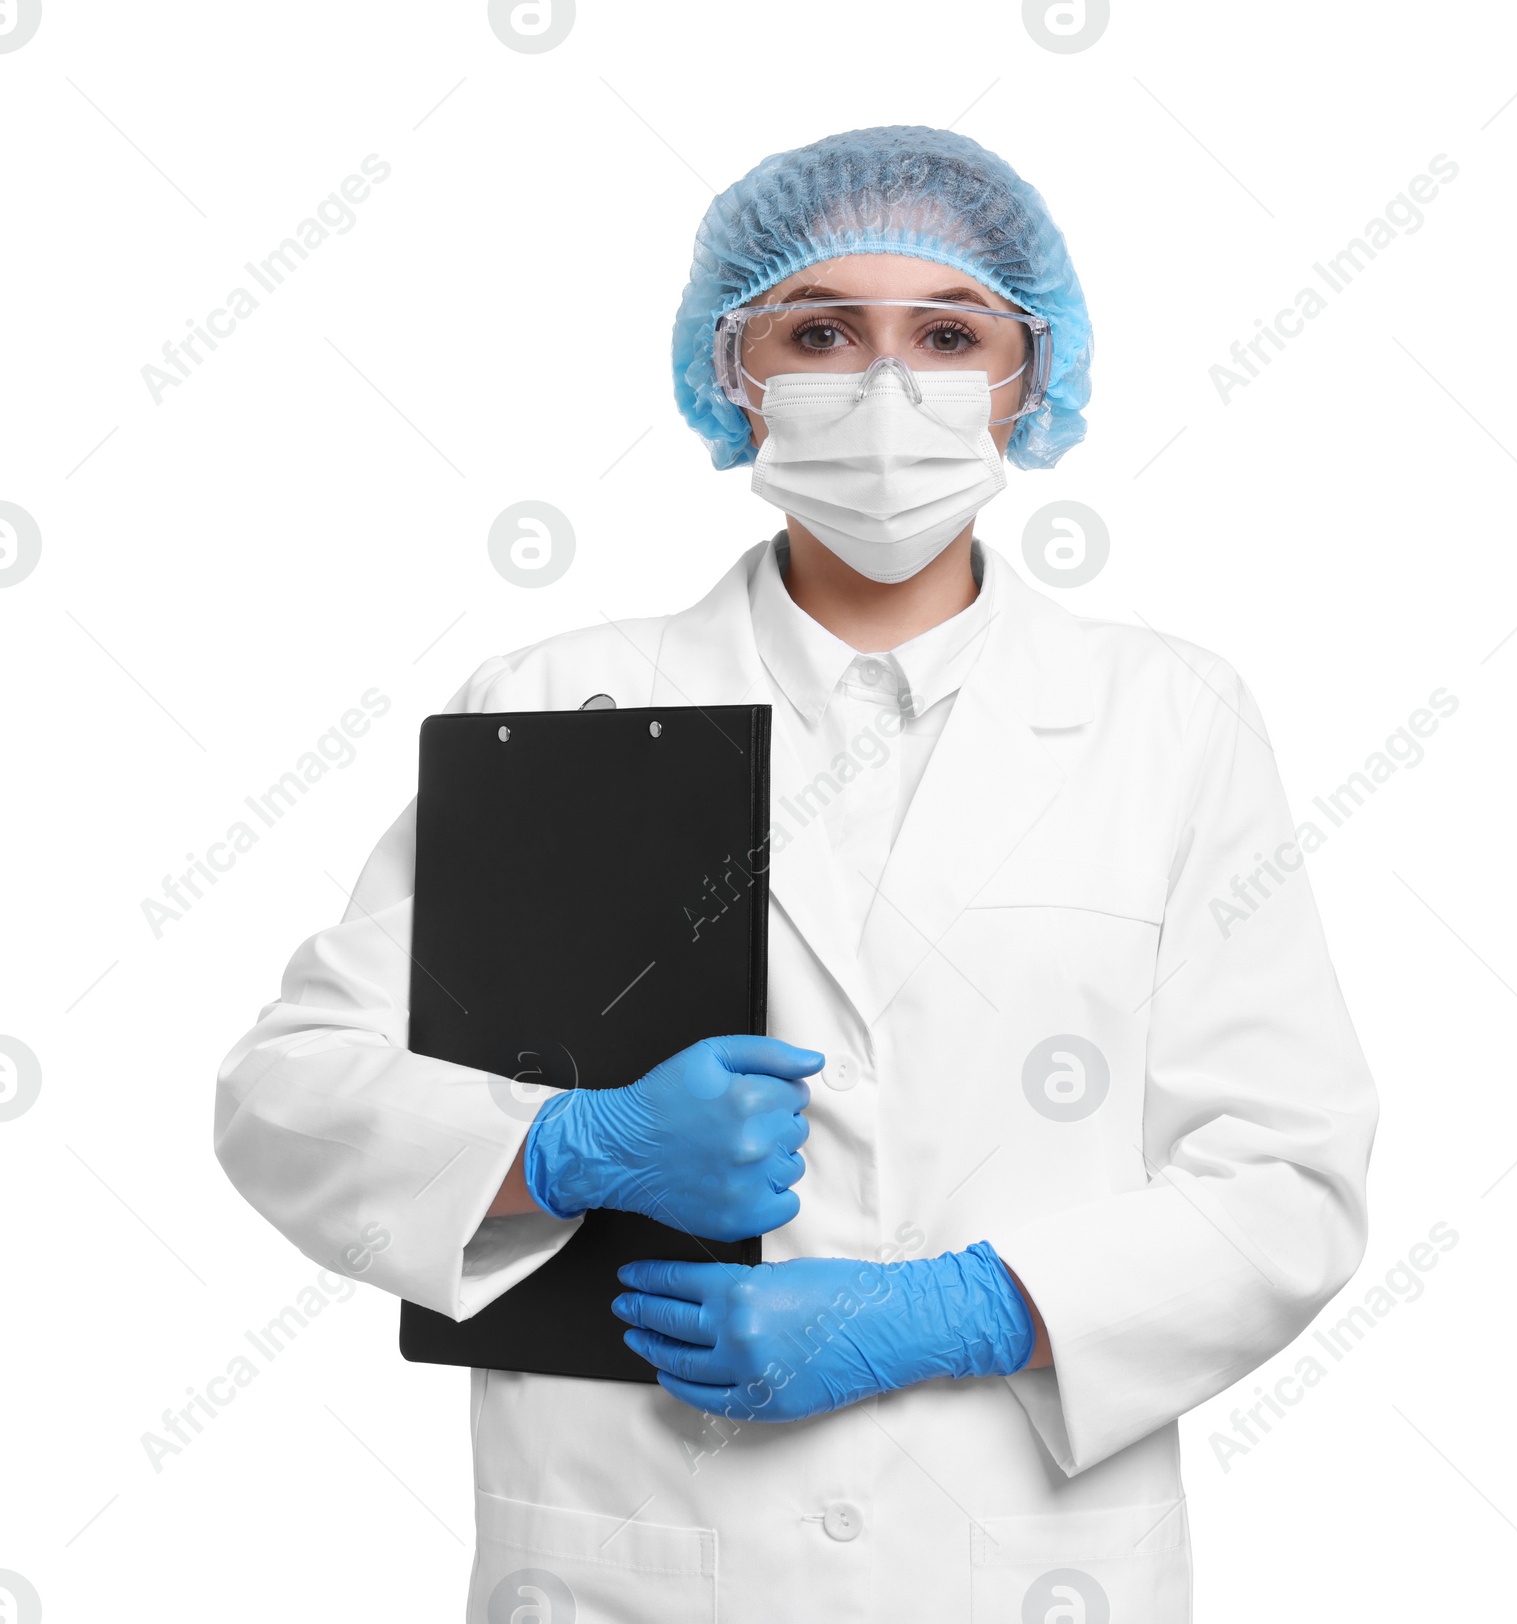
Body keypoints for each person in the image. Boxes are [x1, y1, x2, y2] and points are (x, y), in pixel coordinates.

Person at [216, 125, 1377, 1622]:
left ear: (1031, 381)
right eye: (821, 331)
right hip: (636, 1564)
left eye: (949, 335)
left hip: (1021, 1570)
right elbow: (284, 1095)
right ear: (734, 369)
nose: (886, 389)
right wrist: (562, 1146)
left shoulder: (1171, 719)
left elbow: (1288, 1183)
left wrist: (954, 1313)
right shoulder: (563, 704)